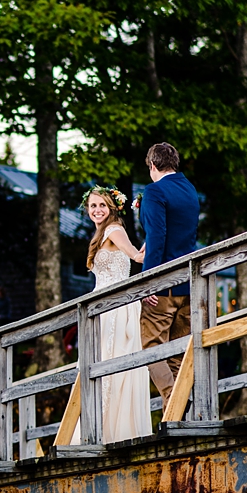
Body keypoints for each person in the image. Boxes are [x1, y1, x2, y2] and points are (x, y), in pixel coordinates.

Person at [71, 187, 153, 444]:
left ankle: (105, 431)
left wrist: (154, 227)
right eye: (93, 206)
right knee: (100, 363)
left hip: (114, 308)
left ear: (113, 208)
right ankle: (98, 428)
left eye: (102, 206)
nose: (97, 210)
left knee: (109, 363)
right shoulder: (101, 233)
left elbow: (137, 257)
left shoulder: (114, 230)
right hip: (101, 307)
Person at [138, 142, 200, 406]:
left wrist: (148, 282)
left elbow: (157, 237)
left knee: (152, 349)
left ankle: (174, 401)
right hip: (188, 283)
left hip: (163, 287)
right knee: (177, 353)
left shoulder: (154, 191)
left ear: (153, 165)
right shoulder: (190, 190)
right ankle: (177, 412)